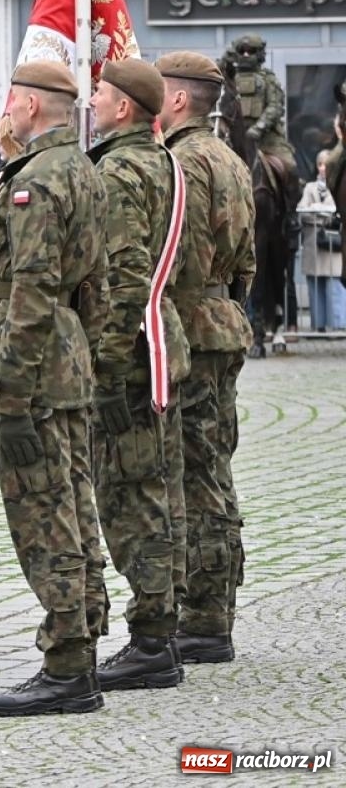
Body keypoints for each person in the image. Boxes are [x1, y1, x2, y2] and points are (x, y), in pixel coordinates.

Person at [0, 60, 110, 718]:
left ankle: (67, 664)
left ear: (29, 105)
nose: (8, 110)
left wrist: (10, 396)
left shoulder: (36, 179)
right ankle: (83, 637)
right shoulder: (82, 168)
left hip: (36, 373)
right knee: (74, 508)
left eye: (12, 100)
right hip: (68, 361)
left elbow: (30, 291)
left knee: (43, 516)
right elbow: (97, 285)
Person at [85, 58, 192, 691]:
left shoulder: (119, 171)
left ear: (123, 106)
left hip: (131, 353)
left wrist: (104, 362)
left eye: (100, 92)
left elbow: (124, 278)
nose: (92, 100)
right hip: (159, 340)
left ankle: (151, 639)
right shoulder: (165, 161)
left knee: (131, 495)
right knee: (160, 488)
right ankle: (162, 631)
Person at [158, 50, 257, 666]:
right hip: (223, 320)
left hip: (193, 329)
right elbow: (247, 258)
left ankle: (203, 616)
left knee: (195, 474)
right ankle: (213, 610)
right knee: (213, 467)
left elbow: (182, 258)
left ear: (176, 99)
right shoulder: (228, 157)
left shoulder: (185, 162)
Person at [227, 35, 298, 175]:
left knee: (290, 166)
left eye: (251, 51)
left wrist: (258, 129)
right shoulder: (229, 81)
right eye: (242, 51)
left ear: (259, 54)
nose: (246, 55)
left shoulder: (268, 79)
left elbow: (275, 107)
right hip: (234, 139)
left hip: (266, 139)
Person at [300, 149, 343, 330]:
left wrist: (316, 209)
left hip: (334, 243)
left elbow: (338, 210)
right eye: (320, 164)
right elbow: (303, 211)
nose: (323, 168)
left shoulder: (339, 184)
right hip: (314, 246)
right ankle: (318, 325)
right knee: (314, 286)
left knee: (335, 286)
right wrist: (325, 213)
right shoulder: (309, 188)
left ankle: (338, 325)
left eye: (326, 164)